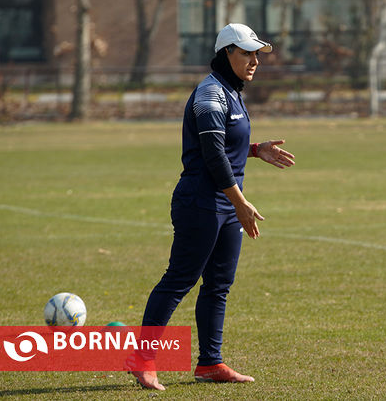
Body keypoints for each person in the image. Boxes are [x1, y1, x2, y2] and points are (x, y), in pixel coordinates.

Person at [126, 24, 295, 390]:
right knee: (179, 280)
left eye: (255, 55)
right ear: (226, 54)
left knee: (218, 284)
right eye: (246, 53)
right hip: (201, 203)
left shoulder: (232, 92)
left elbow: (226, 146)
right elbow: (213, 156)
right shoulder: (209, 94)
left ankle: (210, 363)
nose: (254, 61)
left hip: (224, 203)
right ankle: (142, 359)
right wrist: (242, 203)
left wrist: (254, 150)